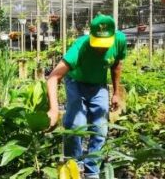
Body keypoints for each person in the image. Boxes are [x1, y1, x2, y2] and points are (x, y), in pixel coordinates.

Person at [46, 14, 125, 179]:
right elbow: (53, 77)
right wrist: (53, 110)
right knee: (76, 126)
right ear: (91, 36)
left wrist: (116, 92)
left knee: (100, 128)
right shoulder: (80, 46)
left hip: (99, 86)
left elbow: (116, 65)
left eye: (104, 44)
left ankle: (91, 171)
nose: (101, 49)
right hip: (76, 83)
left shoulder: (119, 40)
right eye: (97, 43)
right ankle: (72, 168)